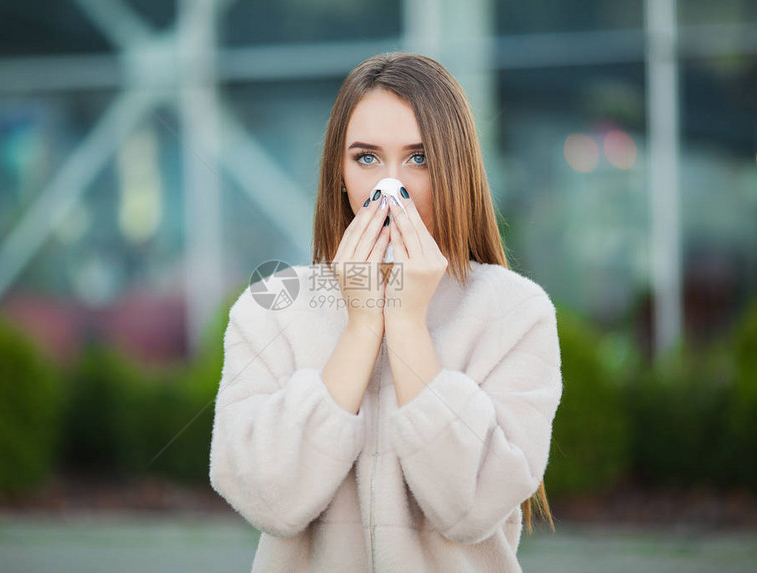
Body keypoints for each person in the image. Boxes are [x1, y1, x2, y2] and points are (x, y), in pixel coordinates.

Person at [209, 52, 563, 572]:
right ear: (339, 171)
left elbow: (472, 508)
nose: (389, 189)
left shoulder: (514, 312)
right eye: (367, 158)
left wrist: (404, 321)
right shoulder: (270, 312)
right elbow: (269, 500)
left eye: (418, 158)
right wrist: (360, 326)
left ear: (455, 166)